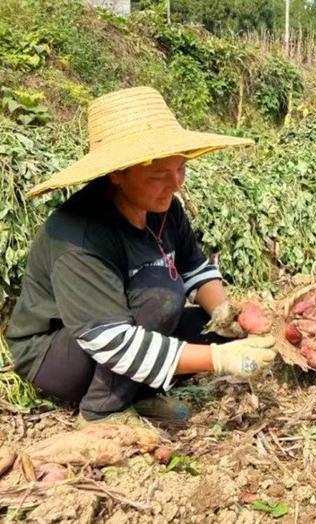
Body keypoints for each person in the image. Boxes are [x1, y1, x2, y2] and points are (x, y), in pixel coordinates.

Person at [6, 86, 277, 423]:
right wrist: (221, 360)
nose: (175, 184)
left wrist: (224, 315)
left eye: (180, 169)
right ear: (118, 173)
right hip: (57, 353)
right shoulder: (81, 235)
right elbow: (110, 340)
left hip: (120, 328)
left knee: (206, 328)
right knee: (157, 297)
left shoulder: (164, 208)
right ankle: (103, 412)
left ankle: (141, 393)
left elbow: (194, 269)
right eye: (159, 175)